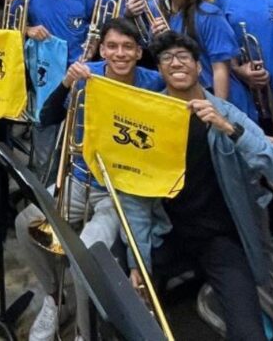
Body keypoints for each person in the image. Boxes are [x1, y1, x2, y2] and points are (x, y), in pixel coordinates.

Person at [121, 31, 273, 341]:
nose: (176, 64)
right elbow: (135, 199)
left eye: (184, 57)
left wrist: (232, 131)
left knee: (248, 333)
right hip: (166, 233)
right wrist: (137, 264)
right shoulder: (149, 121)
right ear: (159, 71)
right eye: (167, 59)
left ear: (199, 67)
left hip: (219, 239)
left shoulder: (227, 115)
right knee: (124, 304)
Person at [16, 18, 163, 341]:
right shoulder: (87, 76)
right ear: (102, 49)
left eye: (128, 47)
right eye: (112, 46)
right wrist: (66, 84)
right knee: (25, 225)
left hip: (118, 191)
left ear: (139, 52)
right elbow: (47, 118)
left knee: (86, 256)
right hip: (78, 178)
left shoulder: (154, 84)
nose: (120, 54)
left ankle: (86, 331)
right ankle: (56, 298)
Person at [150, 0, 240, 105]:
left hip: (215, 96)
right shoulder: (161, 14)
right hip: (187, 97)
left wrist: (219, 110)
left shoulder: (209, 15)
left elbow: (220, 69)